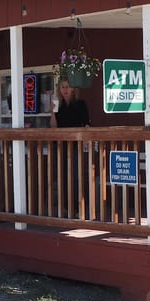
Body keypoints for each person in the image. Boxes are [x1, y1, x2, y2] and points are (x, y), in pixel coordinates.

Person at [50, 78, 90, 215]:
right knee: (63, 176)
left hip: (76, 144)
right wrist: (52, 112)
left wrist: (86, 140)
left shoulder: (80, 104)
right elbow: (53, 127)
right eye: (62, 87)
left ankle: (78, 208)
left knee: (76, 176)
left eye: (67, 86)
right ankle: (67, 208)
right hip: (61, 145)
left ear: (73, 89)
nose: (65, 89)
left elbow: (86, 123)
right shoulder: (59, 106)